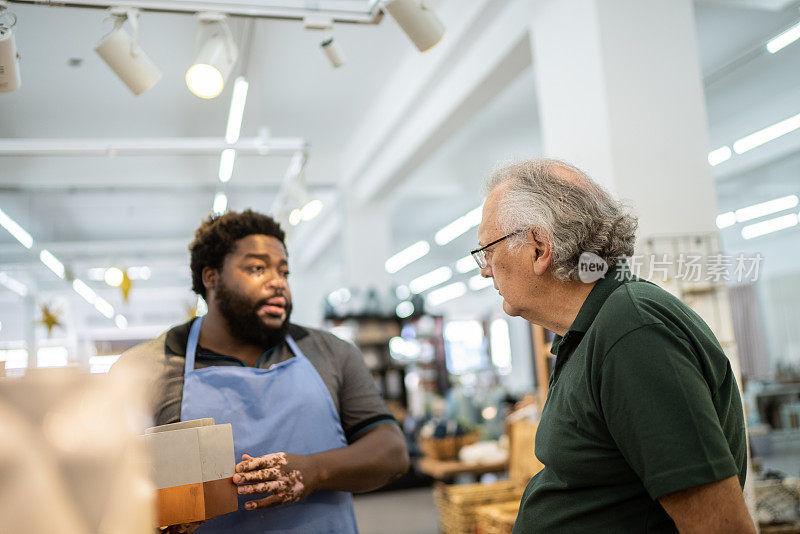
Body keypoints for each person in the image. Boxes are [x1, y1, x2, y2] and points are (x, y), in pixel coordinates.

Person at [474, 159, 755, 533]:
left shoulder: (632, 330)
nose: (485, 269)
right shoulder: (590, 331)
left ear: (539, 248)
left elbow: (722, 527)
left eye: (487, 251)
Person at [115, 210, 409, 533]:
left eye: (284, 271)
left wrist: (315, 471)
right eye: (257, 268)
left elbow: (391, 452)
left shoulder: (331, 353)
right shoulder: (147, 368)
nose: (278, 283)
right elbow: (107, 484)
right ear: (210, 277)